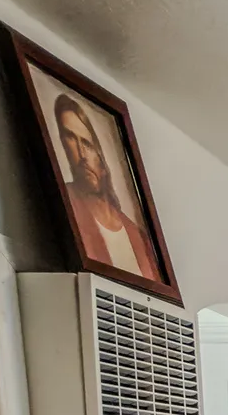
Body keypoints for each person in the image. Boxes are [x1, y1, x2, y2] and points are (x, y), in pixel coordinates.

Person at [51, 92, 160, 282]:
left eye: (87, 143)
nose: (82, 154)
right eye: (71, 139)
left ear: (100, 154)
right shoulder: (65, 202)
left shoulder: (136, 233)